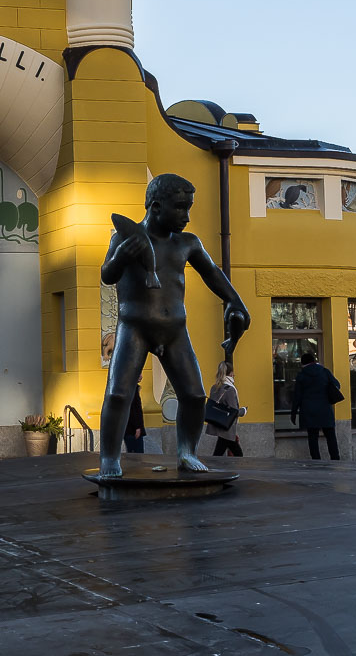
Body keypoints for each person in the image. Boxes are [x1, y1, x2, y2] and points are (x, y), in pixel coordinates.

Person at [97, 173, 251, 478]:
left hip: (174, 329)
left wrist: (236, 301)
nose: (187, 216)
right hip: (135, 327)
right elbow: (107, 274)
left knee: (194, 396)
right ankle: (110, 459)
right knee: (118, 393)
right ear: (156, 207)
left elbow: (212, 272)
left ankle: (186, 452)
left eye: (189, 208)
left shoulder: (187, 243)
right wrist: (119, 257)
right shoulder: (125, 237)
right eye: (180, 208)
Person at [291, 352, 341, 460]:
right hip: (325, 409)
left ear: (303, 363)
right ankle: (335, 459)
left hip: (309, 410)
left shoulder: (301, 376)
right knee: (330, 436)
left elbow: (297, 396)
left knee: (313, 437)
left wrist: (293, 413)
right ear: (314, 361)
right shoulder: (324, 371)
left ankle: (316, 460)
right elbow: (337, 385)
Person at [206, 360, 246, 457]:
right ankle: (214, 467)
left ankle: (215, 467)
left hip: (217, 422)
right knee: (238, 454)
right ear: (231, 373)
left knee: (219, 452)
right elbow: (234, 411)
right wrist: (243, 411)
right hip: (226, 426)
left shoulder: (214, 387)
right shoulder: (230, 389)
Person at [123, 379, 146, 454]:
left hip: (129, 429)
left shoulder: (127, 388)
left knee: (133, 453)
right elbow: (133, 409)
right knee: (136, 455)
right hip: (132, 430)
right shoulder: (131, 389)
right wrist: (137, 427)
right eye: (139, 372)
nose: (141, 376)